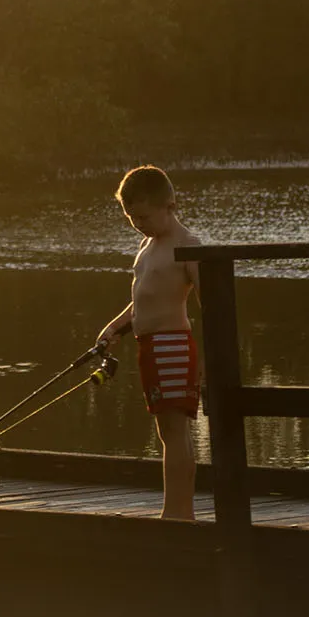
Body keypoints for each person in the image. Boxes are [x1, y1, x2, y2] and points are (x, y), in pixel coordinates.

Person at [97, 165, 201, 520]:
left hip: (172, 344)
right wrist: (114, 327)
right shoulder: (148, 245)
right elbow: (142, 299)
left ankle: (178, 514)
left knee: (175, 431)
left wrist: (212, 359)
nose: (137, 224)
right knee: (166, 431)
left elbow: (210, 300)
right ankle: (176, 512)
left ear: (169, 205)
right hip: (149, 346)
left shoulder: (187, 245)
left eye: (143, 216)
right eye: (130, 217)